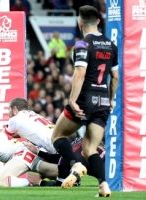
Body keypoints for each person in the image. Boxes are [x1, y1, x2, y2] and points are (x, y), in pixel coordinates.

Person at [51, 5, 119, 197]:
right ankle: (103, 185)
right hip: (103, 101)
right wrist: (111, 99)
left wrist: (72, 100)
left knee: (57, 137)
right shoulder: (111, 45)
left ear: (79, 23)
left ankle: (76, 164)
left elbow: (79, 73)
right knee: (90, 148)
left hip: (84, 100)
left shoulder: (82, 45)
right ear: (99, 21)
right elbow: (115, 77)